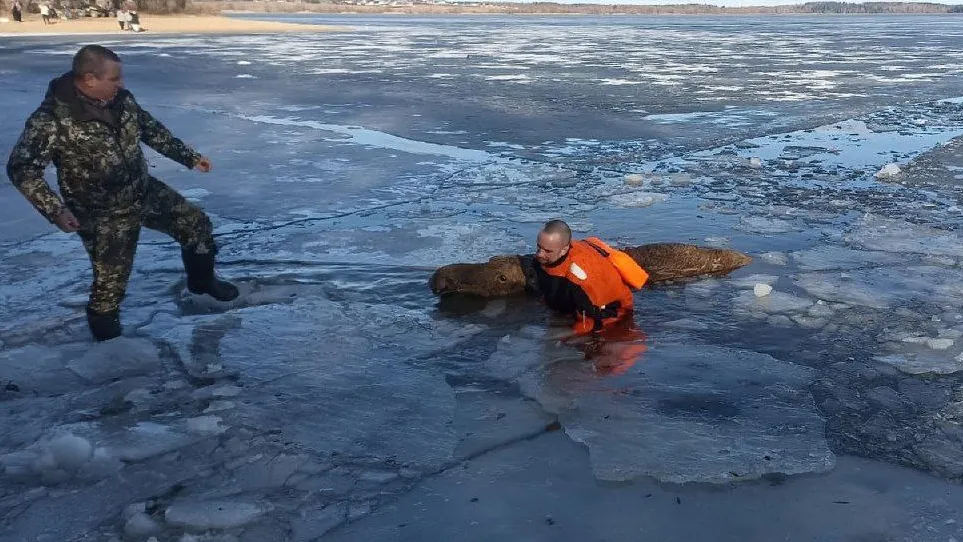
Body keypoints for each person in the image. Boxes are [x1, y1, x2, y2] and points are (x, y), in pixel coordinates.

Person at [6, 44, 238, 342]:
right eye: (114, 79)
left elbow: (151, 130)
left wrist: (188, 157)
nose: (121, 84)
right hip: (100, 213)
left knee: (197, 226)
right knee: (109, 288)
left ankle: (202, 283)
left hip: (143, 191)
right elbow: (22, 168)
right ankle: (109, 349)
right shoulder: (50, 120)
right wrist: (55, 209)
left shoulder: (123, 101)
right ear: (90, 79)